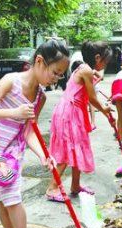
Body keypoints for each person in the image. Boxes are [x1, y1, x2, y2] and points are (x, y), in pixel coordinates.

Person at [0, 39, 70, 228]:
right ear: (39, 61)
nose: (56, 79)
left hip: (12, 148)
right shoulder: (10, 81)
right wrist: (14, 112)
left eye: (60, 75)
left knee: (12, 197)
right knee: (2, 199)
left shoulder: (41, 97)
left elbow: (29, 131)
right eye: (55, 72)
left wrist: (43, 155)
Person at [46, 41, 112, 202]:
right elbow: (92, 98)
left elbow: (87, 84)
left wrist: (96, 75)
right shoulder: (87, 71)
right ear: (97, 58)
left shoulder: (82, 68)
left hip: (71, 111)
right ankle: (52, 188)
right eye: (105, 61)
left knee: (77, 149)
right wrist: (105, 110)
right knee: (66, 149)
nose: (106, 65)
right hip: (69, 113)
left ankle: (75, 186)